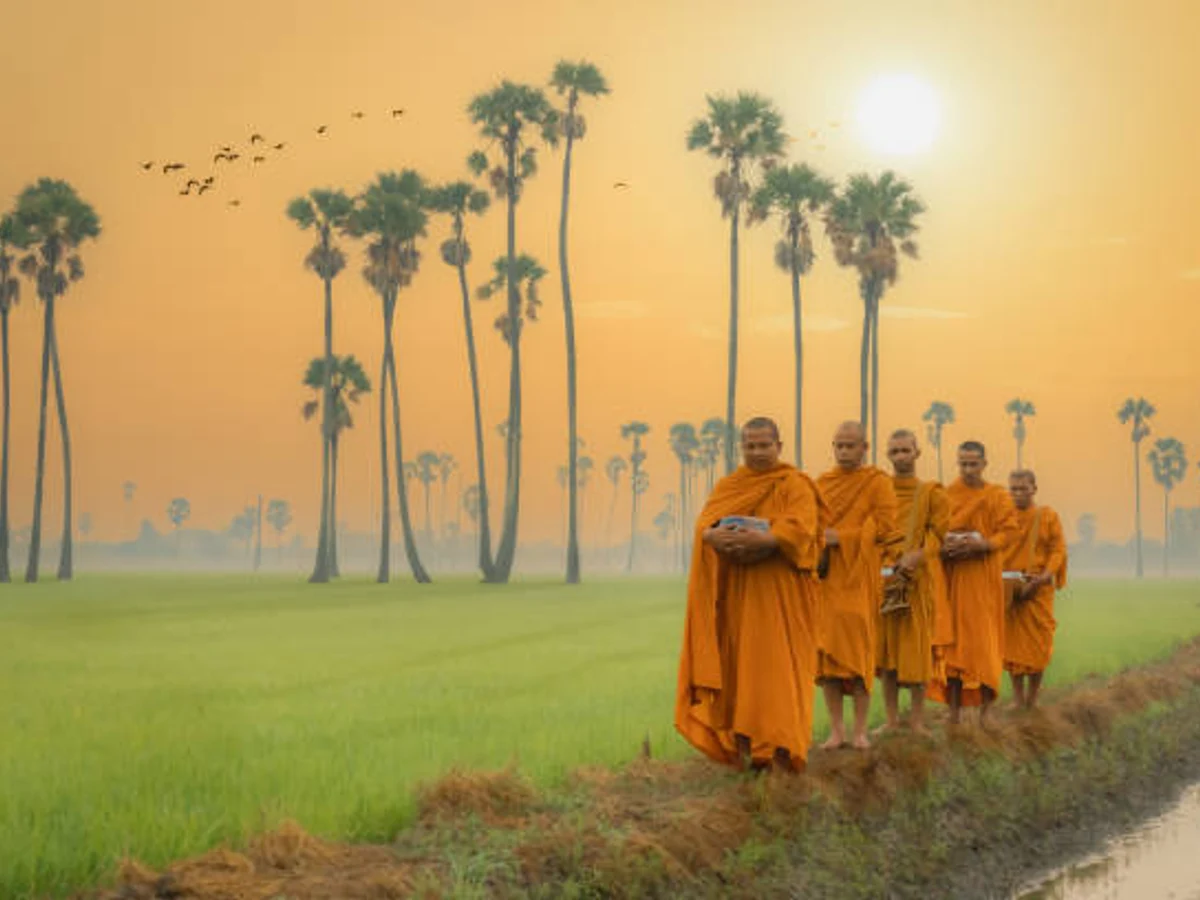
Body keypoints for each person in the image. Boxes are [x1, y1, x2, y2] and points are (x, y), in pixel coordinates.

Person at [675, 416, 827, 772]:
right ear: (741, 448)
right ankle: (745, 755)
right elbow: (705, 527)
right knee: (739, 675)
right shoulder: (731, 486)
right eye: (750, 446)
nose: (757, 453)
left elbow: (801, 529)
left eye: (764, 445)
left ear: (779, 446)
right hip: (739, 597)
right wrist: (715, 537)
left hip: (782, 598)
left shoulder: (795, 484)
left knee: (779, 675)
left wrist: (766, 538)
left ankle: (781, 752)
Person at [815, 421, 902, 750]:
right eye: (839, 445)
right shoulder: (823, 483)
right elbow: (813, 522)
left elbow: (884, 527)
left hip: (860, 578)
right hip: (828, 578)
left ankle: (860, 730)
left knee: (859, 654)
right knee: (828, 657)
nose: (844, 452)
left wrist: (845, 537)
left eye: (851, 446)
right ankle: (837, 730)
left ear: (865, 448)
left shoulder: (877, 482)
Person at [929, 440, 1018, 726]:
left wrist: (983, 544)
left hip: (983, 577)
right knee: (954, 646)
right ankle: (953, 712)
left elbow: (1008, 533)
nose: (968, 469)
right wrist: (946, 546)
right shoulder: (947, 494)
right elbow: (935, 531)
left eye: (973, 464)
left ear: (984, 463)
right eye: (963, 464)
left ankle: (987, 710)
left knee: (984, 645)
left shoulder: (996, 496)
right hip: (953, 577)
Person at [876, 429, 949, 735]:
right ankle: (892, 721)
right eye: (894, 452)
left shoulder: (932, 493)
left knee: (917, 652)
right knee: (888, 654)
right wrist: (885, 563)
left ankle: (917, 722)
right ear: (887, 455)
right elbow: (874, 530)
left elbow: (938, 534)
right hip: (886, 580)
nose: (900, 457)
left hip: (918, 582)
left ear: (917, 453)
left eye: (906, 451)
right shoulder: (879, 492)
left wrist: (918, 556)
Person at [1002, 469, 1068, 709]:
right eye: (1013, 489)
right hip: (1011, 589)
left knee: (1039, 646)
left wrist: (1042, 578)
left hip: (1038, 589)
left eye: (1023, 489)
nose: (1018, 494)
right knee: (1012, 648)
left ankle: (1032, 698)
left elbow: (1057, 550)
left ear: (1034, 489)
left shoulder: (1047, 516)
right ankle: (1018, 699)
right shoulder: (1003, 518)